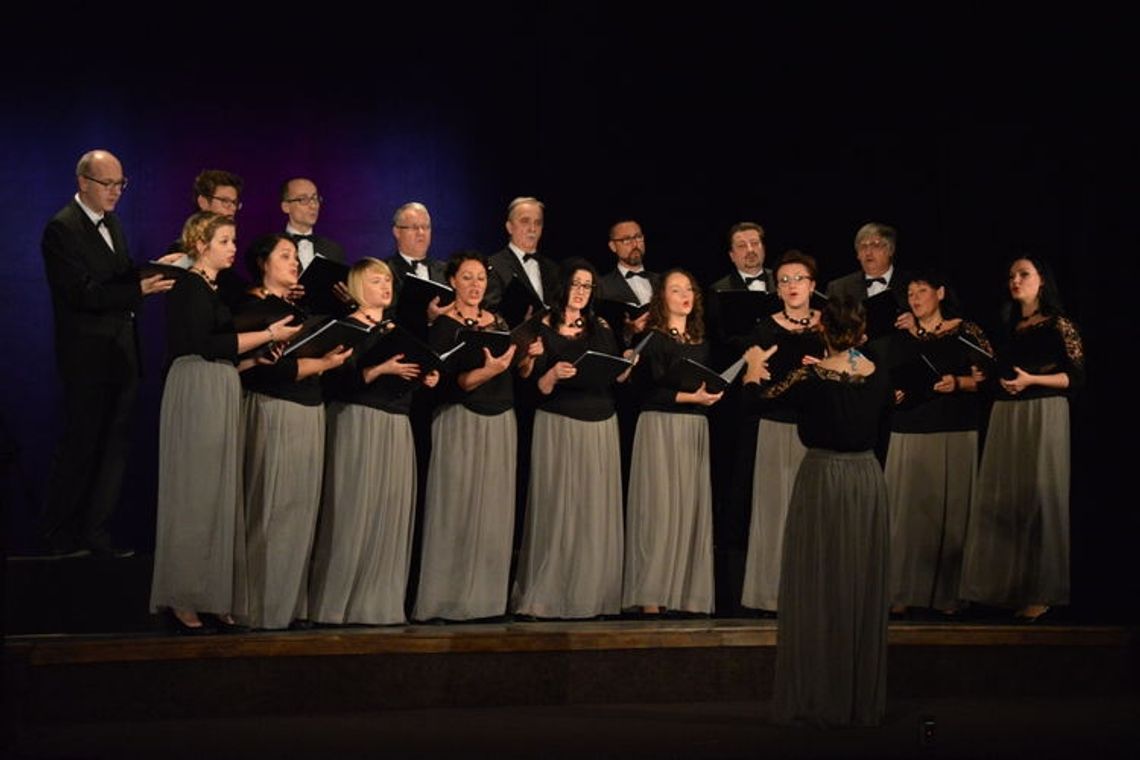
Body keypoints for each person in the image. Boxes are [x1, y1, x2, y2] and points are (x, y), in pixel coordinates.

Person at [743, 297, 892, 726]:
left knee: (820, 582)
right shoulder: (879, 375)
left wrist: (754, 369)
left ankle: (818, 695)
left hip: (825, 478)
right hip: (866, 479)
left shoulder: (811, 375)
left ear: (823, 328)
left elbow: (759, 402)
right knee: (856, 585)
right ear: (862, 332)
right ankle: (855, 699)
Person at [150, 212, 301, 633]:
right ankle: (183, 596)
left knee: (219, 493)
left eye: (234, 240)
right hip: (196, 383)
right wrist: (269, 335)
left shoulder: (215, 290)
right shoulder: (189, 286)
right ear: (201, 245)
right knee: (195, 493)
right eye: (224, 241)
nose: (233, 248)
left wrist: (253, 358)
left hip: (219, 382)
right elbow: (201, 343)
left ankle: (212, 593)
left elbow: (224, 351)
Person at [41, 149, 175, 558]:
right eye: (108, 184)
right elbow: (82, 293)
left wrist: (151, 270)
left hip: (121, 354)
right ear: (83, 182)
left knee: (114, 449)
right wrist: (139, 289)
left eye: (121, 184)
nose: (116, 191)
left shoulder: (112, 223)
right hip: (88, 358)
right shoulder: (62, 229)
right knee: (82, 446)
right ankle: (59, 537)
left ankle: (95, 535)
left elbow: (116, 274)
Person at [308, 258, 439, 625]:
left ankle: (377, 604)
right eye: (376, 280)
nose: (385, 287)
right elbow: (334, 382)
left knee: (389, 509)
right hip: (358, 419)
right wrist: (378, 369)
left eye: (388, 281)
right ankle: (335, 606)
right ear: (356, 287)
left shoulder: (395, 328)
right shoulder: (343, 327)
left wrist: (422, 378)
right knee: (353, 508)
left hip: (396, 421)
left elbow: (410, 369)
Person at [413, 251, 542, 622]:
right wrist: (490, 371)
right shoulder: (442, 326)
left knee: (493, 512)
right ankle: (444, 601)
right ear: (452, 281)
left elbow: (517, 373)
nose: (475, 285)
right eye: (467, 278)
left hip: (500, 419)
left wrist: (527, 356)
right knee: (455, 508)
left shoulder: (499, 321)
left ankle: (486, 602)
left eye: (481, 279)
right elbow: (452, 384)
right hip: (460, 421)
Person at [234, 235, 352, 630]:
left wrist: (329, 359)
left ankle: (287, 606)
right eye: (285, 256)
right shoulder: (254, 308)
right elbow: (272, 368)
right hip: (275, 409)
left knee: (300, 512)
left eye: (295, 257)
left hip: (309, 409)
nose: (294, 262)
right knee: (269, 510)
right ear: (263, 263)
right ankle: (257, 607)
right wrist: (323, 364)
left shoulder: (299, 309)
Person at [959, 257, 1084, 623]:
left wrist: (1032, 381)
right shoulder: (1009, 325)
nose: (1015, 280)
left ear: (1042, 281)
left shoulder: (1059, 324)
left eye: (1024, 274)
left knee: (1041, 499)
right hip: (1007, 412)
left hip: (1043, 412)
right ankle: (1005, 586)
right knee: (1007, 498)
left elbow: (1074, 377)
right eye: (1011, 275)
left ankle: (1043, 591)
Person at [511, 259, 632, 619]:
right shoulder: (539, 327)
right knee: (558, 507)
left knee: (593, 510)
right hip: (559, 423)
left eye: (588, 286)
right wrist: (551, 373)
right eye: (577, 284)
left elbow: (614, 377)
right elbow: (535, 385)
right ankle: (548, 595)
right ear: (563, 287)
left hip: (600, 422)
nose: (581, 292)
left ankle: (592, 596)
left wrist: (626, 364)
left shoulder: (602, 327)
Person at [885, 271, 991, 617]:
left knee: (950, 513)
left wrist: (960, 382)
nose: (915, 298)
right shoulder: (902, 335)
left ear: (940, 293)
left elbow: (992, 379)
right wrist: (895, 392)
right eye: (911, 293)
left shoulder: (965, 331)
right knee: (907, 514)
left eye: (923, 291)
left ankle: (949, 594)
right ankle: (902, 591)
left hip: (953, 427)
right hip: (910, 427)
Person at [622, 269, 720, 616]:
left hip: (693, 428)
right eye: (675, 289)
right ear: (662, 298)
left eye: (689, 289)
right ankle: (651, 594)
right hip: (661, 426)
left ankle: (685, 593)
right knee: (660, 509)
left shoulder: (701, 340)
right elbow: (645, 392)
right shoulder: (652, 338)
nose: (684, 295)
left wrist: (707, 396)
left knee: (688, 508)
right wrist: (689, 397)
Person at [740, 250, 826, 615]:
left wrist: (827, 366)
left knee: (814, 515)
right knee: (774, 512)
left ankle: (812, 594)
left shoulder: (828, 324)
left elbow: (856, 368)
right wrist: (754, 368)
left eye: (799, 279)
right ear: (777, 289)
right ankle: (771, 595)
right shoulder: (765, 327)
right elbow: (751, 381)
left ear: (813, 285)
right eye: (785, 281)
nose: (792, 286)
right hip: (776, 426)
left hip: (818, 429)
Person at [484, 196, 560, 325]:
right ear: (509, 227)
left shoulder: (553, 268)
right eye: (525, 221)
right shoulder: (494, 265)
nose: (532, 229)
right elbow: (489, 312)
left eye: (538, 223)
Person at [595, 218, 661, 343]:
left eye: (638, 237)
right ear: (613, 246)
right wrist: (628, 331)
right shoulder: (602, 286)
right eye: (626, 240)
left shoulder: (663, 281)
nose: (635, 244)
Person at [280, 177, 346, 268]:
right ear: (286, 207)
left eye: (315, 199)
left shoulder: (333, 250)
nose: (313, 205)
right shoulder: (272, 248)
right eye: (303, 199)